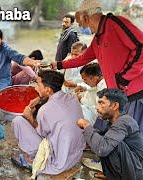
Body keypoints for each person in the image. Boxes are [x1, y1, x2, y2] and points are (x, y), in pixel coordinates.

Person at [51, 0, 143, 134]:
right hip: (117, 93)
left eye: (83, 24)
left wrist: (124, 77)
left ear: (86, 17)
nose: (83, 27)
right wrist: (59, 64)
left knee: (134, 135)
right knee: (120, 134)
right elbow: (83, 58)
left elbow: (140, 47)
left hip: (133, 93)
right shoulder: (98, 37)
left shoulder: (115, 23)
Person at [11, 70, 85, 175]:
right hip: (76, 156)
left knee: (18, 121)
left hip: (57, 162)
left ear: (48, 90)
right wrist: (40, 98)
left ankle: (32, 160)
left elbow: (41, 133)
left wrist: (30, 118)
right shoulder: (72, 98)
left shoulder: (45, 109)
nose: (36, 88)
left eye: (38, 84)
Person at [77, 88, 143, 180]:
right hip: (130, 166)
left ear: (115, 105)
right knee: (102, 137)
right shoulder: (114, 121)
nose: (97, 107)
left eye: (101, 103)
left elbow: (102, 148)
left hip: (136, 171)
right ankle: (111, 175)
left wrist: (86, 125)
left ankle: (117, 177)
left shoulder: (124, 121)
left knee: (106, 145)